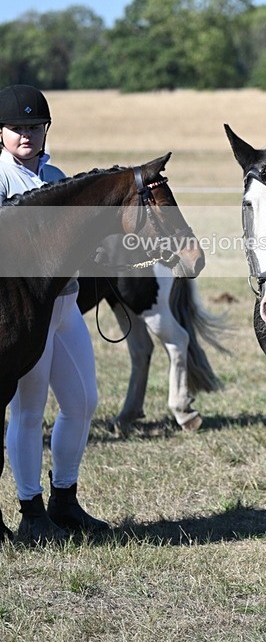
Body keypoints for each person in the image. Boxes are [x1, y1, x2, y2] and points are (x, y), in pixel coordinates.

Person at [0, 84, 109, 544]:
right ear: (1, 133)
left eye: (35, 126)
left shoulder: (57, 173)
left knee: (83, 402)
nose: (27, 135)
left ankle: (66, 498)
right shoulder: (2, 178)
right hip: (24, 314)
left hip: (66, 304)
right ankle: (31, 508)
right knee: (29, 411)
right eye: (18, 128)